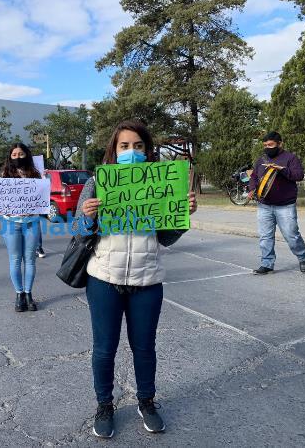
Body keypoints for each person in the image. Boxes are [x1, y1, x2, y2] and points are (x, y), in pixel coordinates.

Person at [73, 120, 197, 438]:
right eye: (125, 146)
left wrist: (183, 215)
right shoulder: (98, 182)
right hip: (104, 278)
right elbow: (77, 231)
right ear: (114, 150)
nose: (132, 151)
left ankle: (147, 401)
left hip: (147, 279)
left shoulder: (162, 183)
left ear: (147, 150)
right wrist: (86, 217)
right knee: (104, 349)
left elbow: (166, 237)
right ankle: (104, 405)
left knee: (144, 348)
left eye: (138, 146)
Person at [248, 131, 305, 274]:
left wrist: (283, 170)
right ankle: (267, 263)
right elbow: (254, 176)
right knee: (265, 236)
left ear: (280, 144)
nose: (267, 148)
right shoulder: (261, 159)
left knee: (291, 236)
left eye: (270, 145)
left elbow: (299, 175)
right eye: (265, 145)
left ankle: (302, 257)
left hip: (285, 206)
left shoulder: (290, 158)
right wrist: (252, 189)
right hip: (264, 205)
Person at [0, 143, 41, 312]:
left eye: (21, 154)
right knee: (15, 260)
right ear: (10, 157)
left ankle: (28, 293)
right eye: (14, 154)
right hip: (11, 223)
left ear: (27, 155)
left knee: (30, 260)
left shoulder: (36, 175)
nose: (18, 157)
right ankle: (19, 294)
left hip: (31, 223)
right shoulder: (4, 175)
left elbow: (42, 198)